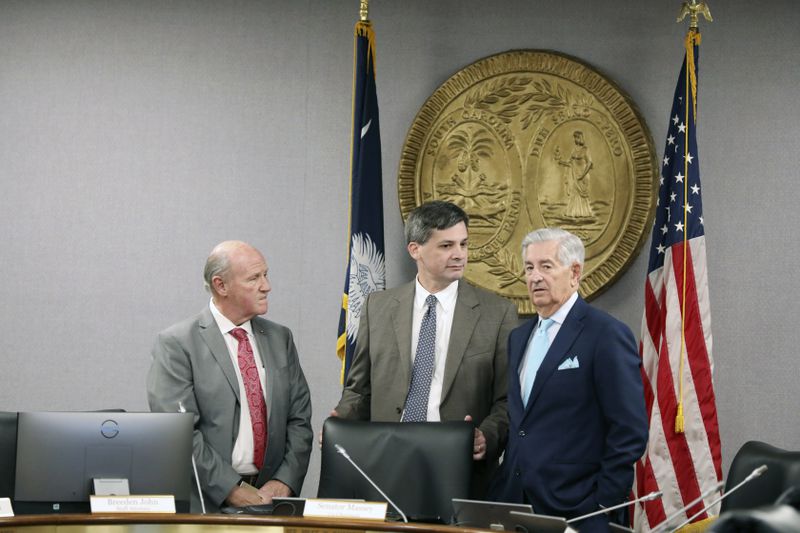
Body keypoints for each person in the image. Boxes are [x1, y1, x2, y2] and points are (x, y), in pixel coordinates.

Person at [333, 200, 518, 498]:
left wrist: (487, 436)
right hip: (385, 465)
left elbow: (507, 400)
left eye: (463, 244)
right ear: (415, 250)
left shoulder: (498, 313)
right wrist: (339, 419)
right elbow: (359, 389)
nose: (459, 254)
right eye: (446, 246)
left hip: (460, 471)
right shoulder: (377, 307)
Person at [489, 228, 647, 532]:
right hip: (515, 503)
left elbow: (630, 429)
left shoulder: (605, 335)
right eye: (529, 268)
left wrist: (603, 503)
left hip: (579, 510)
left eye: (546, 266)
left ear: (575, 272)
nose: (535, 277)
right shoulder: (518, 338)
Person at [147, 240, 312, 512]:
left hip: (270, 502)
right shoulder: (177, 344)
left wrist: (284, 481)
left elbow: (299, 419)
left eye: (265, 275)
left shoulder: (280, 338)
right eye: (254, 278)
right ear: (221, 285)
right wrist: (231, 489)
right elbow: (179, 433)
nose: (266, 286)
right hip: (205, 505)